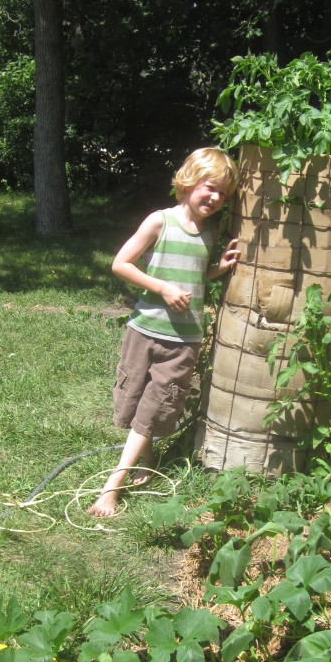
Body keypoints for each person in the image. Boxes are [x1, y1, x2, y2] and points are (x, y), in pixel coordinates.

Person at [88, 147, 240, 517]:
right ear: (188, 182)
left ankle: (111, 488)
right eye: (210, 187)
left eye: (223, 193)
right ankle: (146, 458)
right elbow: (121, 264)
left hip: (183, 340)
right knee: (134, 399)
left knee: (156, 407)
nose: (215, 198)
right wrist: (162, 289)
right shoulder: (161, 221)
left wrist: (217, 270)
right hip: (144, 331)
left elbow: (190, 278)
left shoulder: (208, 235)